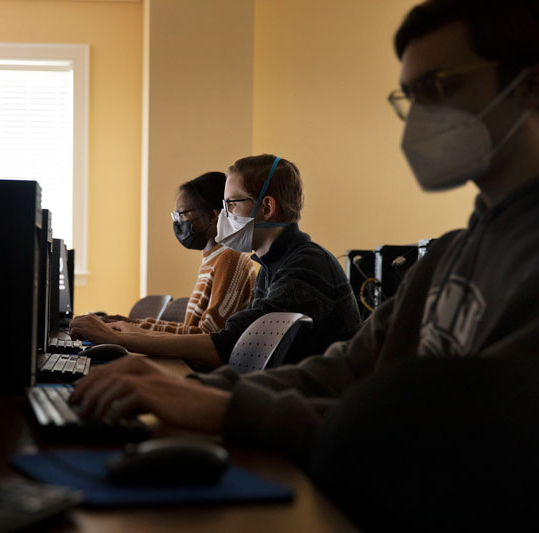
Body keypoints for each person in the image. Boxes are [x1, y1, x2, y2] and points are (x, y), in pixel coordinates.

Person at [70, 0, 539, 468]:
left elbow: (448, 440)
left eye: (441, 86)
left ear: (530, 84)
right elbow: (344, 369)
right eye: (412, 97)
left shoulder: (520, 265)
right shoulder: (448, 258)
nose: (421, 119)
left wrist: (225, 407)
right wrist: (187, 390)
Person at [70, 154, 361, 369]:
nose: (222, 216)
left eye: (231, 204)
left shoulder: (307, 266)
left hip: (306, 418)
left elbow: (225, 344)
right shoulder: (271, 267)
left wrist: (119, 338)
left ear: (267, 207)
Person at [111, 172, 256, 335]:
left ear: (212, 215)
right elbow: (191, 329)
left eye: (184, 214)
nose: (179, 222)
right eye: (176, 215)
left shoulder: (230, 259)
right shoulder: (212, 260)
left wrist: (132, 329)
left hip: (199, 359)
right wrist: (128, 324)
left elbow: (208, 335)